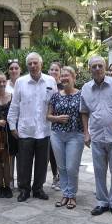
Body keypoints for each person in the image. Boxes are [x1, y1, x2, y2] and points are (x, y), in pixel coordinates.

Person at [80, 56, 112, 220]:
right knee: (99, 171)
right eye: (93, 66)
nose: (97, 69)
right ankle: (102, 202)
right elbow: (84, 112)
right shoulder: (86, 88)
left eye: (100, 66)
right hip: (96, 135)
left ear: (105, 67)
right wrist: (86, 133)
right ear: (90, 69)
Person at [7, 52, 57, 202]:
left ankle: (38, 188)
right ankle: (24, 189)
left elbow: (54, 103)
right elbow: (15, 104)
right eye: (30, 63)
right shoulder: (20, 82)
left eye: (36, 63)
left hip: (44, 129)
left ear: (41, 64)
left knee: (42, 162)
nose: (33, 66)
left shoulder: (50, 80)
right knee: (24, 162)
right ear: (27, 65)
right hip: (25, 129)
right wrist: (12, 125)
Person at [47, 66, 84, 209]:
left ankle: (72, 195)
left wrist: (87, 133)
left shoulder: (81, 94)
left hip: (75, 135)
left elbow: (86, 115)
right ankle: (65, 194)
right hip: (57, 135)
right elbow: (48, 116)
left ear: (74, 77)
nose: (63, 78)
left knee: (71, 167)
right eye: (62, 76)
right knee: (61, 167)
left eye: (67, 75)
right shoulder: (55, 95)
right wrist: (57, 118)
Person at [5, 59, 21, 189]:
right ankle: (10, 179)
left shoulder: (25, 83)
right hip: (9, 122)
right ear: (8, 71)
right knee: (11, 153)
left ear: (20, 70)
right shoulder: (4, 84)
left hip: (23, 122)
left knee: (22, 153)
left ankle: (22, 180)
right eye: (11, 68)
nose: (14, 70)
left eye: (16, 68)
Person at [47, 61, 62, 191]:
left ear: (60, 72)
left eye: (56, 70)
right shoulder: (45, 84)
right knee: (51, 152)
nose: (53, 72)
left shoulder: (64, 86)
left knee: (61, 152)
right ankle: (55, 176)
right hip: (47, 122)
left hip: (61, 122)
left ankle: (62, 177)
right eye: (51, 70)